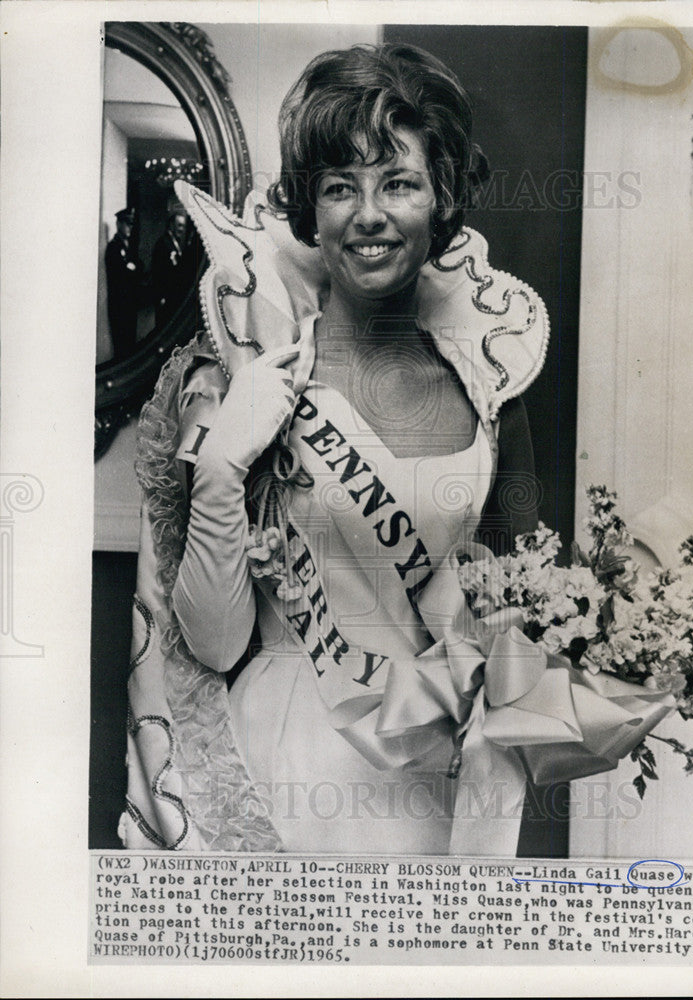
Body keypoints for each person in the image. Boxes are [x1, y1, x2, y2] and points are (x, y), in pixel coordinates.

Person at [122, 44, 549, 855]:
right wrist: (217, 471)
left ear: (442, 197)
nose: (368, 214)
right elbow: (210, 645)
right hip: (282, 761)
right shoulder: (245, 374)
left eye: (399, 182)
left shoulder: (492, 390)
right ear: (308, 212)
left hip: (429, 776)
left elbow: (517, 615)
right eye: (337, 187)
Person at [104, 207, 142, 360]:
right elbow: (119, 274)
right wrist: (130, 269)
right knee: (121, 347)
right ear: (119, 224)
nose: (130, 228)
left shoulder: (128, 247)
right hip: (119, 304)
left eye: (131, 224)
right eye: (127, 224)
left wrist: (131, 268)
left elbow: (139, 266)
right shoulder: (113, 247)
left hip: (129, 303)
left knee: (130, 344)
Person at [151, 211, 191, 329]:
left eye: (183, 226)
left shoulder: (176, 244)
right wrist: (160, 296)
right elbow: (158, 272)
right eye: (179, 225)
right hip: (165, 298)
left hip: (173, 297)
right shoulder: (163, 244)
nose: (182, 229)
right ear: (171, 225)